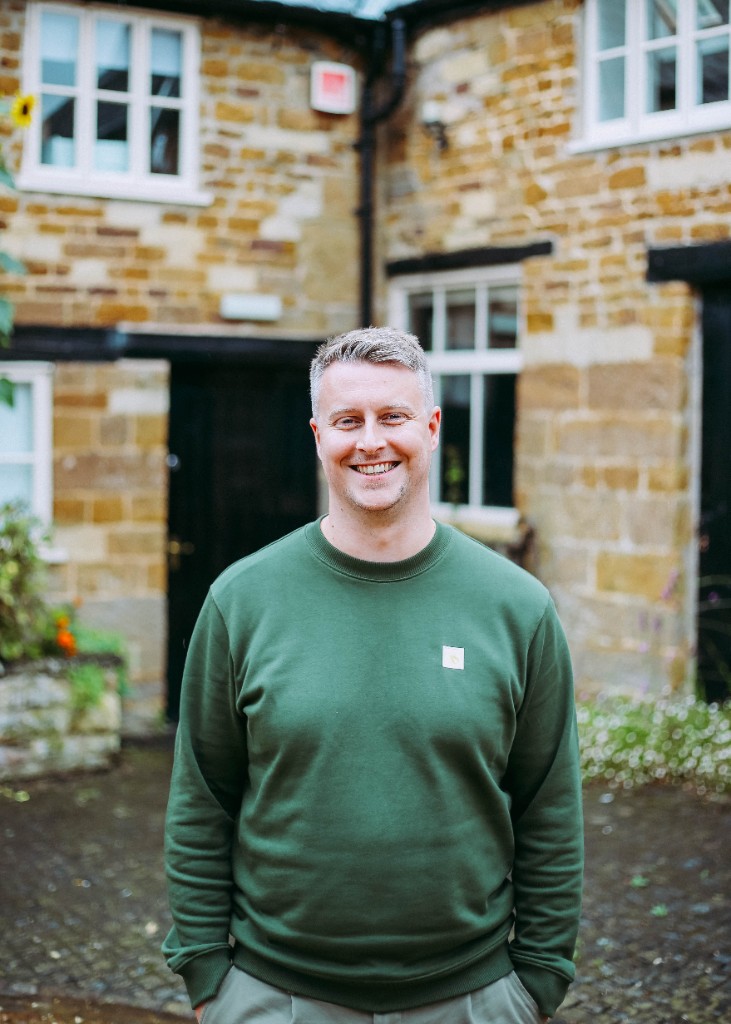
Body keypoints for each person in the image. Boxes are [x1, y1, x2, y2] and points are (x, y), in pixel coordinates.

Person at [163, 326, 583, 1024]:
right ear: (316, 433)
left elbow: (549, 806)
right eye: (346, 421)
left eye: (392, 417)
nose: (370, 441)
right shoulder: (241, 601)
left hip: (470, 998)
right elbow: (202, 800)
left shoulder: (517, 608)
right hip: (276, 997)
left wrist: (537, 981)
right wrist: (209, 978)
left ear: (431, 424)